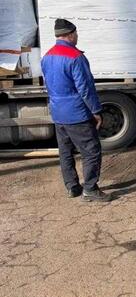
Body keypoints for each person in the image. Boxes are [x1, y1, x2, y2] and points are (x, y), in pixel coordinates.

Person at [41, 19, 110, 202]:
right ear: (70, 35)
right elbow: (85, 88)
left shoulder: (47, 56)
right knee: (91, 151)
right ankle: (90, 189)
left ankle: (72, 187)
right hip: (77, 114)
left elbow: (49, 85)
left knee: (65, 152)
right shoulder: (75, 57)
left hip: (58, 114)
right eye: (76, 33)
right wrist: (96, 110)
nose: (77, 36)